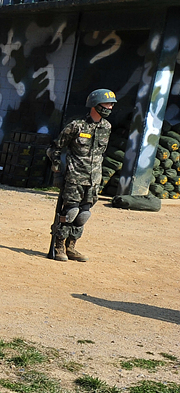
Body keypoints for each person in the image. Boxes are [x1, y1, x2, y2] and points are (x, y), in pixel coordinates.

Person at [48, 88, 115, 263]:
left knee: (83, 214)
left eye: (111, 105)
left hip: (94, 180)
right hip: (74, 177)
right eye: (107, 104)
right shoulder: (76, 126)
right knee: (69, 212)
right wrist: (57, 167)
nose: (110, 107)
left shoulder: (106, 127)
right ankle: (59, 246)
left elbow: (100, 154)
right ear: (95, 104)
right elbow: (55, 148)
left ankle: (71, 247)